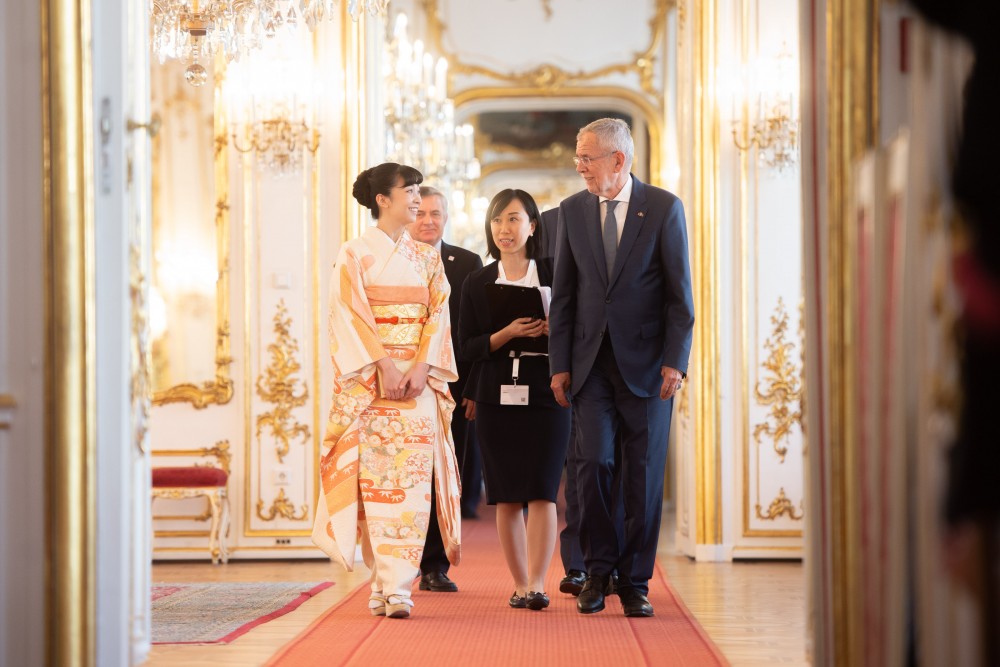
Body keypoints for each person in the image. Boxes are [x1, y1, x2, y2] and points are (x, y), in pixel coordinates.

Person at [549, 118, 694, 617]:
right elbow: (564, 297)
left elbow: (680, 297)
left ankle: (635, 582)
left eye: (587, 157)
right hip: (589, 367)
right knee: (592, 467)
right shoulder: (572, 211)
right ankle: (597, 571)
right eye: (578, 157)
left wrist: (676, 360)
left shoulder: (663, 208)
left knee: (644, 475)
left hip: (650, 369)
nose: (579, 166)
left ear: (619, 159)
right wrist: (558, 365)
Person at [311, 162, 462, 619]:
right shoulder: (354, 253)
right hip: (374, 384)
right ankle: (384, 583)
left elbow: (439, 315)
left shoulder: (428, 256)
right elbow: (349, 315)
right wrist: (382, 366)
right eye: (409, 190)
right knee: (376, 485)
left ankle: (397, 587)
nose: (417, 198)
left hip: (414, 384)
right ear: (383, 199)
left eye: (419, 190)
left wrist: (420, 366)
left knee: (411, 485)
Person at [460, 189, 571, 611]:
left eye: (513, 219)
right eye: (497, 221)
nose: (504, 229)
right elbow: (466, 345)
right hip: (495, 393)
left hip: (548, 390)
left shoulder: (555, 272)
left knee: (543, 491)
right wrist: (507, 333)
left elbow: (578, 326)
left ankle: (539, 582)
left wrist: (550, 330)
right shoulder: (478, 280)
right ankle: (520, 582)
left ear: (532, 226)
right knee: (506, 494)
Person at [406, 185, 484, 594]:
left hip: (452, 393)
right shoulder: (389, 261)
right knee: (406, 476)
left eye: (436, 213)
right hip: (402, 388)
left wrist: (471, 389)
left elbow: (473, 333)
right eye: (421, 213)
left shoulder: (468, 263)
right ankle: (400, 562)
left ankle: (435, 565)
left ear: (447, 217)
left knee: (443, 479)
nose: (428, 221)